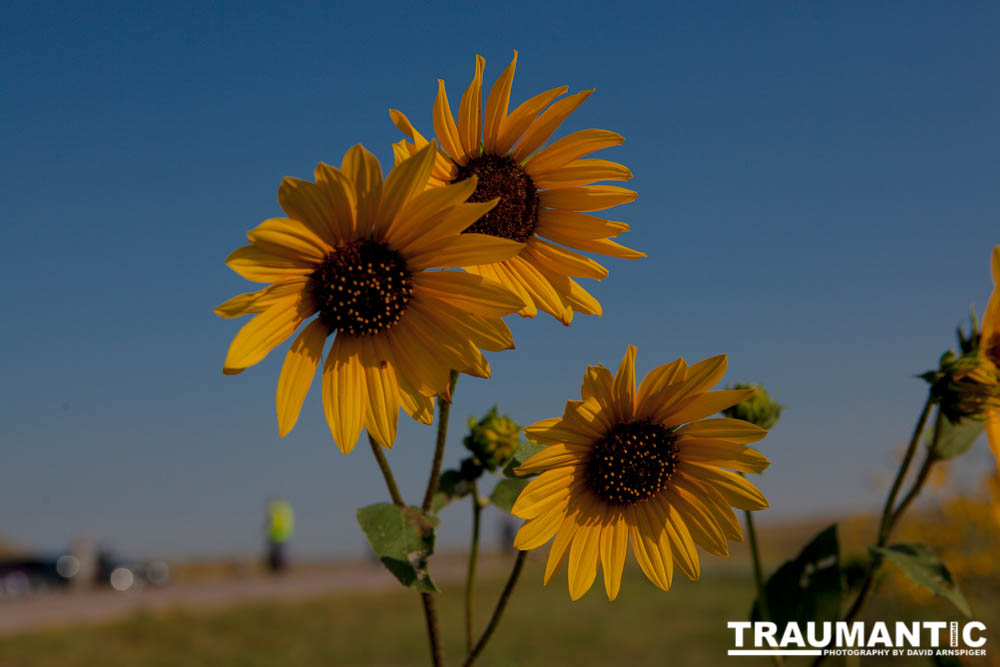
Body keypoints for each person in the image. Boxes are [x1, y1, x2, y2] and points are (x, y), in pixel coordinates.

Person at [265, 499, 294, 574]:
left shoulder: (274, 511)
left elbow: (270, 523)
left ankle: (277, 568)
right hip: (283, 534)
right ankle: (279, 568)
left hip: (276, 535)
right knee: (280, 553)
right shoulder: (286, 510)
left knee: (277, 553)